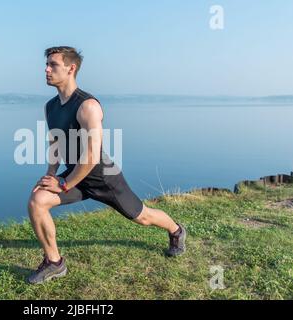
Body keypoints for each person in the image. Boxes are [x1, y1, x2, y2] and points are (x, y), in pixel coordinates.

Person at [27, 46, 186, 285]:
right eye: (46, 64)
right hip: (74, 175)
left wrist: (65, 185)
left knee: (143, 217)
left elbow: (91, 155)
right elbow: (56, 141)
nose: (46, 69)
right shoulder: (51, 106)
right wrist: (50, 175)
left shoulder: (88, 106)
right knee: (37, 200)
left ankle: (176, 230)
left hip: (103, 177)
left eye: (53, 65)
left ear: (71, 69)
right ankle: (54, 262)